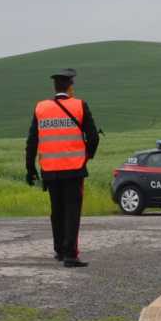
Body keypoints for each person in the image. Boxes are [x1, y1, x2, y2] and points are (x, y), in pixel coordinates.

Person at [25, 68, 100, 267]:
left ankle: (59, 250)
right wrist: (87, 156)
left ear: (55, 86)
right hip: (74, 169)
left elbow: (32, 140)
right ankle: (70, 255)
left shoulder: (41, 108)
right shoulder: (79, 105)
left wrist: (29, 167)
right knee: (72, 211)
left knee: (56, 211)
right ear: (70, 86)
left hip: (49, 170)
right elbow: (93, 137)